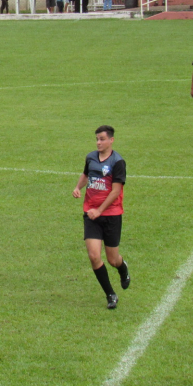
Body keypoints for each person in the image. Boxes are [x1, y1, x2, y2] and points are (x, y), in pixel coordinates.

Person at [71, 125, 130, 310]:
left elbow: (116, 191)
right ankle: (110, 294)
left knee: (112, 259)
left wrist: (100, 210)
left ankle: (122, 267)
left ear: (111, 140)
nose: (98, 142)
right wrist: (77, 187)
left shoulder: (118, 162)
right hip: (91, 214)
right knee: (94, 256)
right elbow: (86, 174)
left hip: (111, 214)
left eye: (102, 139)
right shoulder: (90, 157)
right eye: (97, 139)